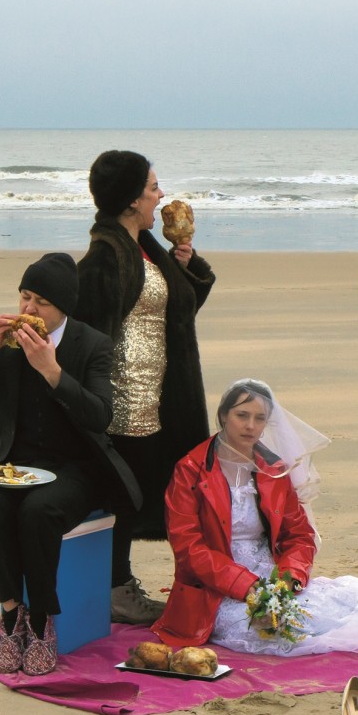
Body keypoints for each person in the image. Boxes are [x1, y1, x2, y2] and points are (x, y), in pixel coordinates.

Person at [0, 253, 141, 676]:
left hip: (76, 466)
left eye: (41, 302)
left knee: (39, 511)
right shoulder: (7, 342)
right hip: (15, 465)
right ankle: (12, 615)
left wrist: (52, 372)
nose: (29, 308)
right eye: (25, 296)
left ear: (62, 307)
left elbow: (100, 416)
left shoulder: (92, 344)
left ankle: (41, 621)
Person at [153, 380, 358, 655]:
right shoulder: (190, 470)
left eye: (259, 418)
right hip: (212, 588)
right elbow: (189, 548)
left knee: (324, 614)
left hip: (269, 573)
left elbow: (300, 535)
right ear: (223, 415)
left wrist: (286, 582)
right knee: (269, 628)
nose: (250, 426)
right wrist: (247, 586)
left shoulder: (273, 469)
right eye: (242, 415)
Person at [75, 150, 215, 625]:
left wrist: (184, 265)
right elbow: (89, 335)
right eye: (153, 187)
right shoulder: (104, 258)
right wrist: (94, 404)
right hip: (122, 403)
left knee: (142, 494)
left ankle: (119, 586)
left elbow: (175, 311)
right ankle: (116, 588)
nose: (161, 195)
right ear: (133, 199)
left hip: (157, 397)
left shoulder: (142, 248)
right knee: (123, 497)